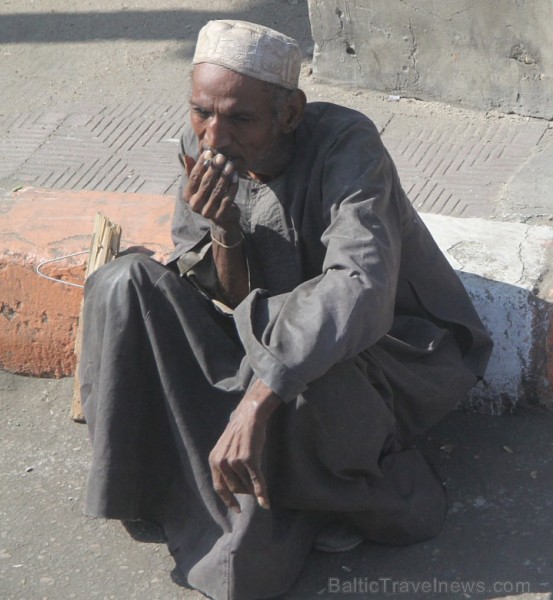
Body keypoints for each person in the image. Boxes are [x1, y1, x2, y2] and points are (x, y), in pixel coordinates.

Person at [79, 20, 493, 600]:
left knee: (306, 363)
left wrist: (258, 398)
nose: (214, 135)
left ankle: (328, 491)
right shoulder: (206, 143)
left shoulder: (349, 146)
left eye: (239, 118)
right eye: (202, 112)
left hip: (380, 351)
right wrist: (224, 230)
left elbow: (358, 288)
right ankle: (157, 481)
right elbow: (228, 297)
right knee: (120, 284)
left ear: (290, 114)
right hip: (266, 337)